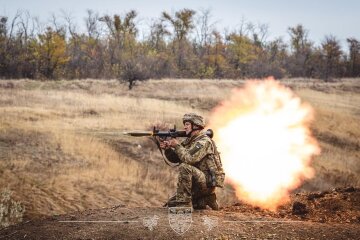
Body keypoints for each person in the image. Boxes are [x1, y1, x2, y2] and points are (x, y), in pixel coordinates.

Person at [159, 113, 225, 210]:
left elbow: (189, 159)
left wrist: (177, 146)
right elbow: (176, 159)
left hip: (206, 182)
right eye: (184, 124)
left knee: (185, 167)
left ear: (195, 126)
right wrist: (168, 149)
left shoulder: (203, 142)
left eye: (187, 124)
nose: (185, 127)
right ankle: (205, 199)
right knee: (171, 203)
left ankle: (184, 205)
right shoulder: (190, 141)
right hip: (197, 182)